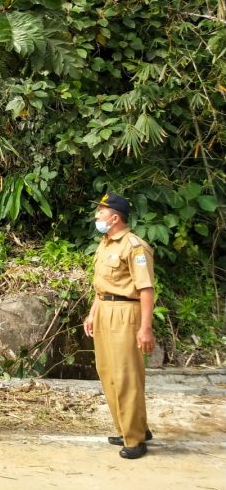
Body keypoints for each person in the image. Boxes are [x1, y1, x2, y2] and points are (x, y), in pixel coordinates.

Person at [83, 193, 155, 459]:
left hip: (126, 313)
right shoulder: (106, 243)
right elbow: (101, 288)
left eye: (100, 213)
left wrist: (145, 328)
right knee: (108, 373)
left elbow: (146, 289)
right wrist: (92, 313)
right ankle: (131, 428)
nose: (96, 217)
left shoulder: (135, 247)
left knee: (126, 376)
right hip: (104, 310)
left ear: (114, 217)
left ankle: (135, 440)